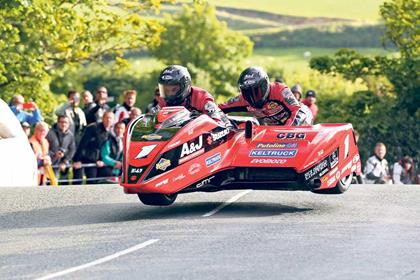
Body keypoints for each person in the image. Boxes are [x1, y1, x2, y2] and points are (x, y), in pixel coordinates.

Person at [219, 67, 312, 126]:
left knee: (301, 116)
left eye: (256, 92)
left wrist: (286, 130)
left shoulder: (280, 90)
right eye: (247, 92)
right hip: (273, 128)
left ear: (265, 85)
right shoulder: (242, 99)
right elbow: (217, 109)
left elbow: (297, 111)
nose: (252, 97)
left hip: (298, 119)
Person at [151, 65, 230, 127]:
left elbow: (217, 122)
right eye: (166, 90)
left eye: (174, 89)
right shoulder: (163, 100)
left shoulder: (201, 97)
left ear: (185, 85)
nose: (170, 94)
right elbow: (150, 119)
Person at [73, 111, 114, 184]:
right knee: (77, 182)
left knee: (92, 183)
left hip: (94, 160)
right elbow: (82, 143)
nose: (108, 120)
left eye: (110, 118)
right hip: (82, 158)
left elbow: (104, 149)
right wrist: (77, 160)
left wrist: (101, 160)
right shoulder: (93, 127)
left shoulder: (110, 133)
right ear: (102, 118)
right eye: (106, 118)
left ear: (113, 120)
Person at [46, 115, 76, 185]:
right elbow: (44, 148)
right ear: (57, 122)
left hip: (63, 164)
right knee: (49, 185)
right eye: (61, 122)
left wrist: (65, 161)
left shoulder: (70, 135)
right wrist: (54, 154)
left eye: (66, 122)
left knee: (63, 184)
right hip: (49, 164)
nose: (64, 124)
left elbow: (72, 149)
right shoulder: (49, 133)